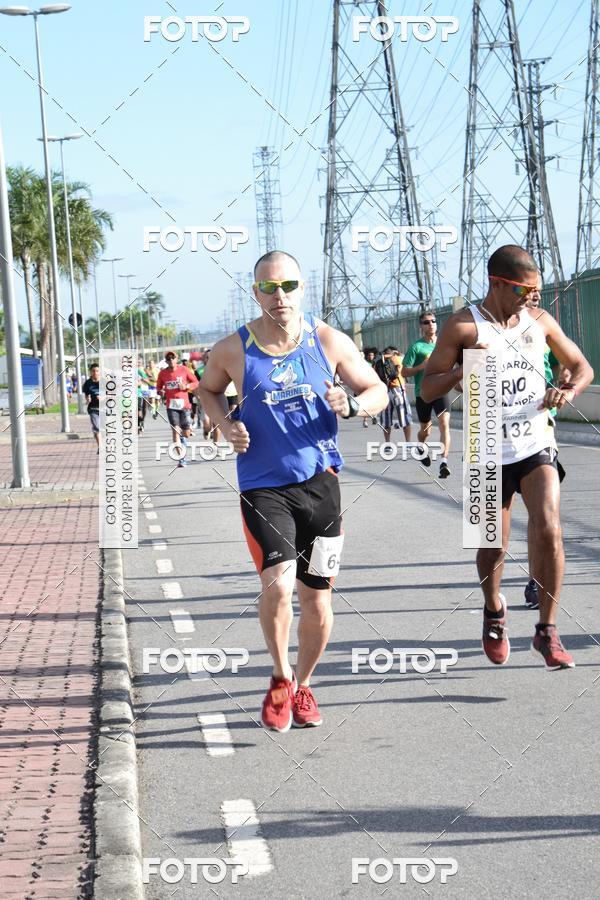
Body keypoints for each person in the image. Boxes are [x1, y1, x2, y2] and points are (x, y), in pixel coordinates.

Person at [197, 250, 387, 732]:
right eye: (268, 287)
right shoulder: (233, 349)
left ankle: (303, 684)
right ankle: (280, 677)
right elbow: (207, 390)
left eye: (288, 286)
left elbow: (378, 391)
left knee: (317, 597)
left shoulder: (327, 340)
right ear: (255, 291)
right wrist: (224, 424)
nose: (279, 296)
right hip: (264, 487)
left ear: (302, 288)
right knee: (279, 584)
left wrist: (353, 405)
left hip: (322, 486)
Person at [420, 244, 594, 669]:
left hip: (535, 441)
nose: (531, 297)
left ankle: (547, 631)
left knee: (549, 528)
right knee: (491, 544)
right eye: (522, 289)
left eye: (535, 289)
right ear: (496, 283)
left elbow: (582, 366)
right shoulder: (463, 326)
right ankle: (494, 609)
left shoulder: (539, 320)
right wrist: (465, 368)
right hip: (484, 444)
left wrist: (565, 391)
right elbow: (427, 389)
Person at [402, 312, 451, 478]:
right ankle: (420, 446)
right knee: (426, 430)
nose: (430, 324)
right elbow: (404, 371)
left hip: (441, 389)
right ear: (421, 326)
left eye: (433, 321)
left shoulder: (445, 344)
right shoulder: (416, 347)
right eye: (426, 322)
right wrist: (422, 366)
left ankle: (443, 462)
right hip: (423, 392)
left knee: (444, 423)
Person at [156, 351, 199, 467]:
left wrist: (186, 386)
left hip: (184, 405)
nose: (171, 360)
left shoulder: (184, 370)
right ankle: (181, 459)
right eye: (168, 359)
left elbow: (196, 382)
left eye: (172, 358)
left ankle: (183, 437)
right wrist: (161, 391)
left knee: (186, 434)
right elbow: (158, 387)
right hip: (171, 406)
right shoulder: (162, 373)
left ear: (177, 358)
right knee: (175, 431)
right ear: (165, 361)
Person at [374, 346, 412, 443]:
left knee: (386, 420)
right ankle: (408, 442)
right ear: (393, 352)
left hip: (384, 391)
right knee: (405, 418)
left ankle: (387, 443)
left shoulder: (378, 363)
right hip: (398, 390)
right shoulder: (399, 359)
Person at [82, 363, 100, 452]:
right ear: (91, 372)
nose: (95, 373)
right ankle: (100, 446)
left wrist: (103, 397)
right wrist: (87, 399)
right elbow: (86, 394)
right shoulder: (87, 383)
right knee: (97, 427)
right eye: (93, 371)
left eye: (97, 371)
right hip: (93, 408)